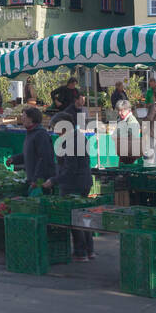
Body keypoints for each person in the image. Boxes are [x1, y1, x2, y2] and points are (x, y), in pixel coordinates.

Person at [46, 94, 94, 260]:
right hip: (84, 181)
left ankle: (81, 252)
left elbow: (70, 169)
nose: (55, 132)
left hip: (74, 184)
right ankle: (89, 250)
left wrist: (53, 180)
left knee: (74, 218)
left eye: (56, 128)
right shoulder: (78, 137)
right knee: (82, 217)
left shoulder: (70, 141)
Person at [9, 107, 55, 185]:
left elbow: (44, 158)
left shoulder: (41, 135)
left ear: (31, 119)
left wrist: (37, 179)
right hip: (32, 179)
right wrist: (14, 159)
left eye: (24, 116)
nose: (22, 118)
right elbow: (30, 155)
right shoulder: (30, 133)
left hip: (41, 182)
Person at [115, 99, 143, 164]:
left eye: (122, 111)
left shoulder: (132, 120)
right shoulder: (120, 119)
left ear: (128, 110)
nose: (119, 113)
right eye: (118, 111)